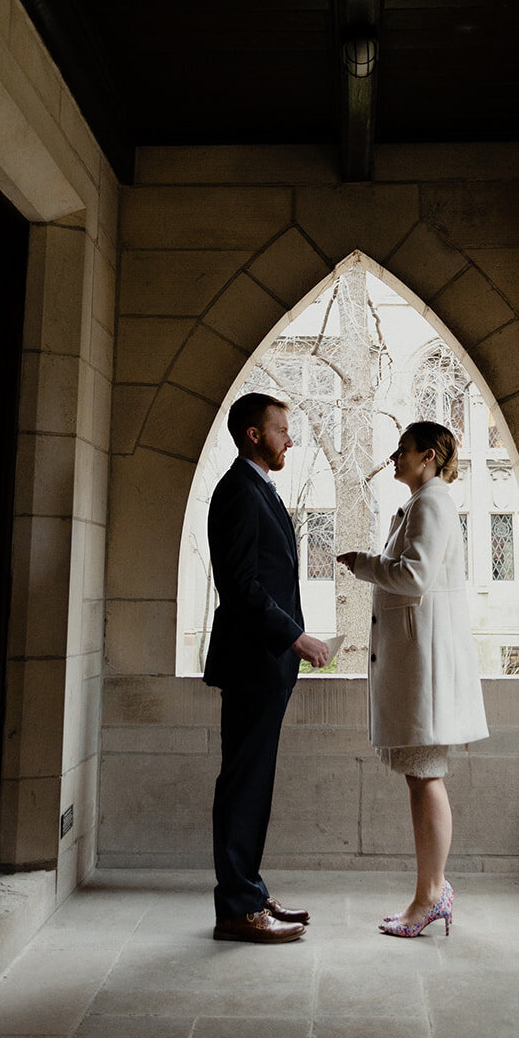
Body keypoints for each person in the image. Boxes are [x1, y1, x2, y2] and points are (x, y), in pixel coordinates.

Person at [337, 420, 488, 938]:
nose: (395, 457)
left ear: (427, 456)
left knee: (426, 778)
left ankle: (431, 896)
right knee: (421, 777)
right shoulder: (426, 502)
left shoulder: (431, 503)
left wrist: (363, 564)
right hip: (417, 662)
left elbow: (415, 576)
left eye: (403, 449)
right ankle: (429, 892)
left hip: (425, 665)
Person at [205, 391, 329, 943]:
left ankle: (249, 893)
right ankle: (236, 907)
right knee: (244, 784)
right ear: (254, 434)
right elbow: (240, 588)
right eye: (282, 430)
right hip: (255, 661)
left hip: (266, 664)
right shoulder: (237, 491)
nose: (291, 440)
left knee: (254, 783)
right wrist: (295, 637)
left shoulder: (258, 488)